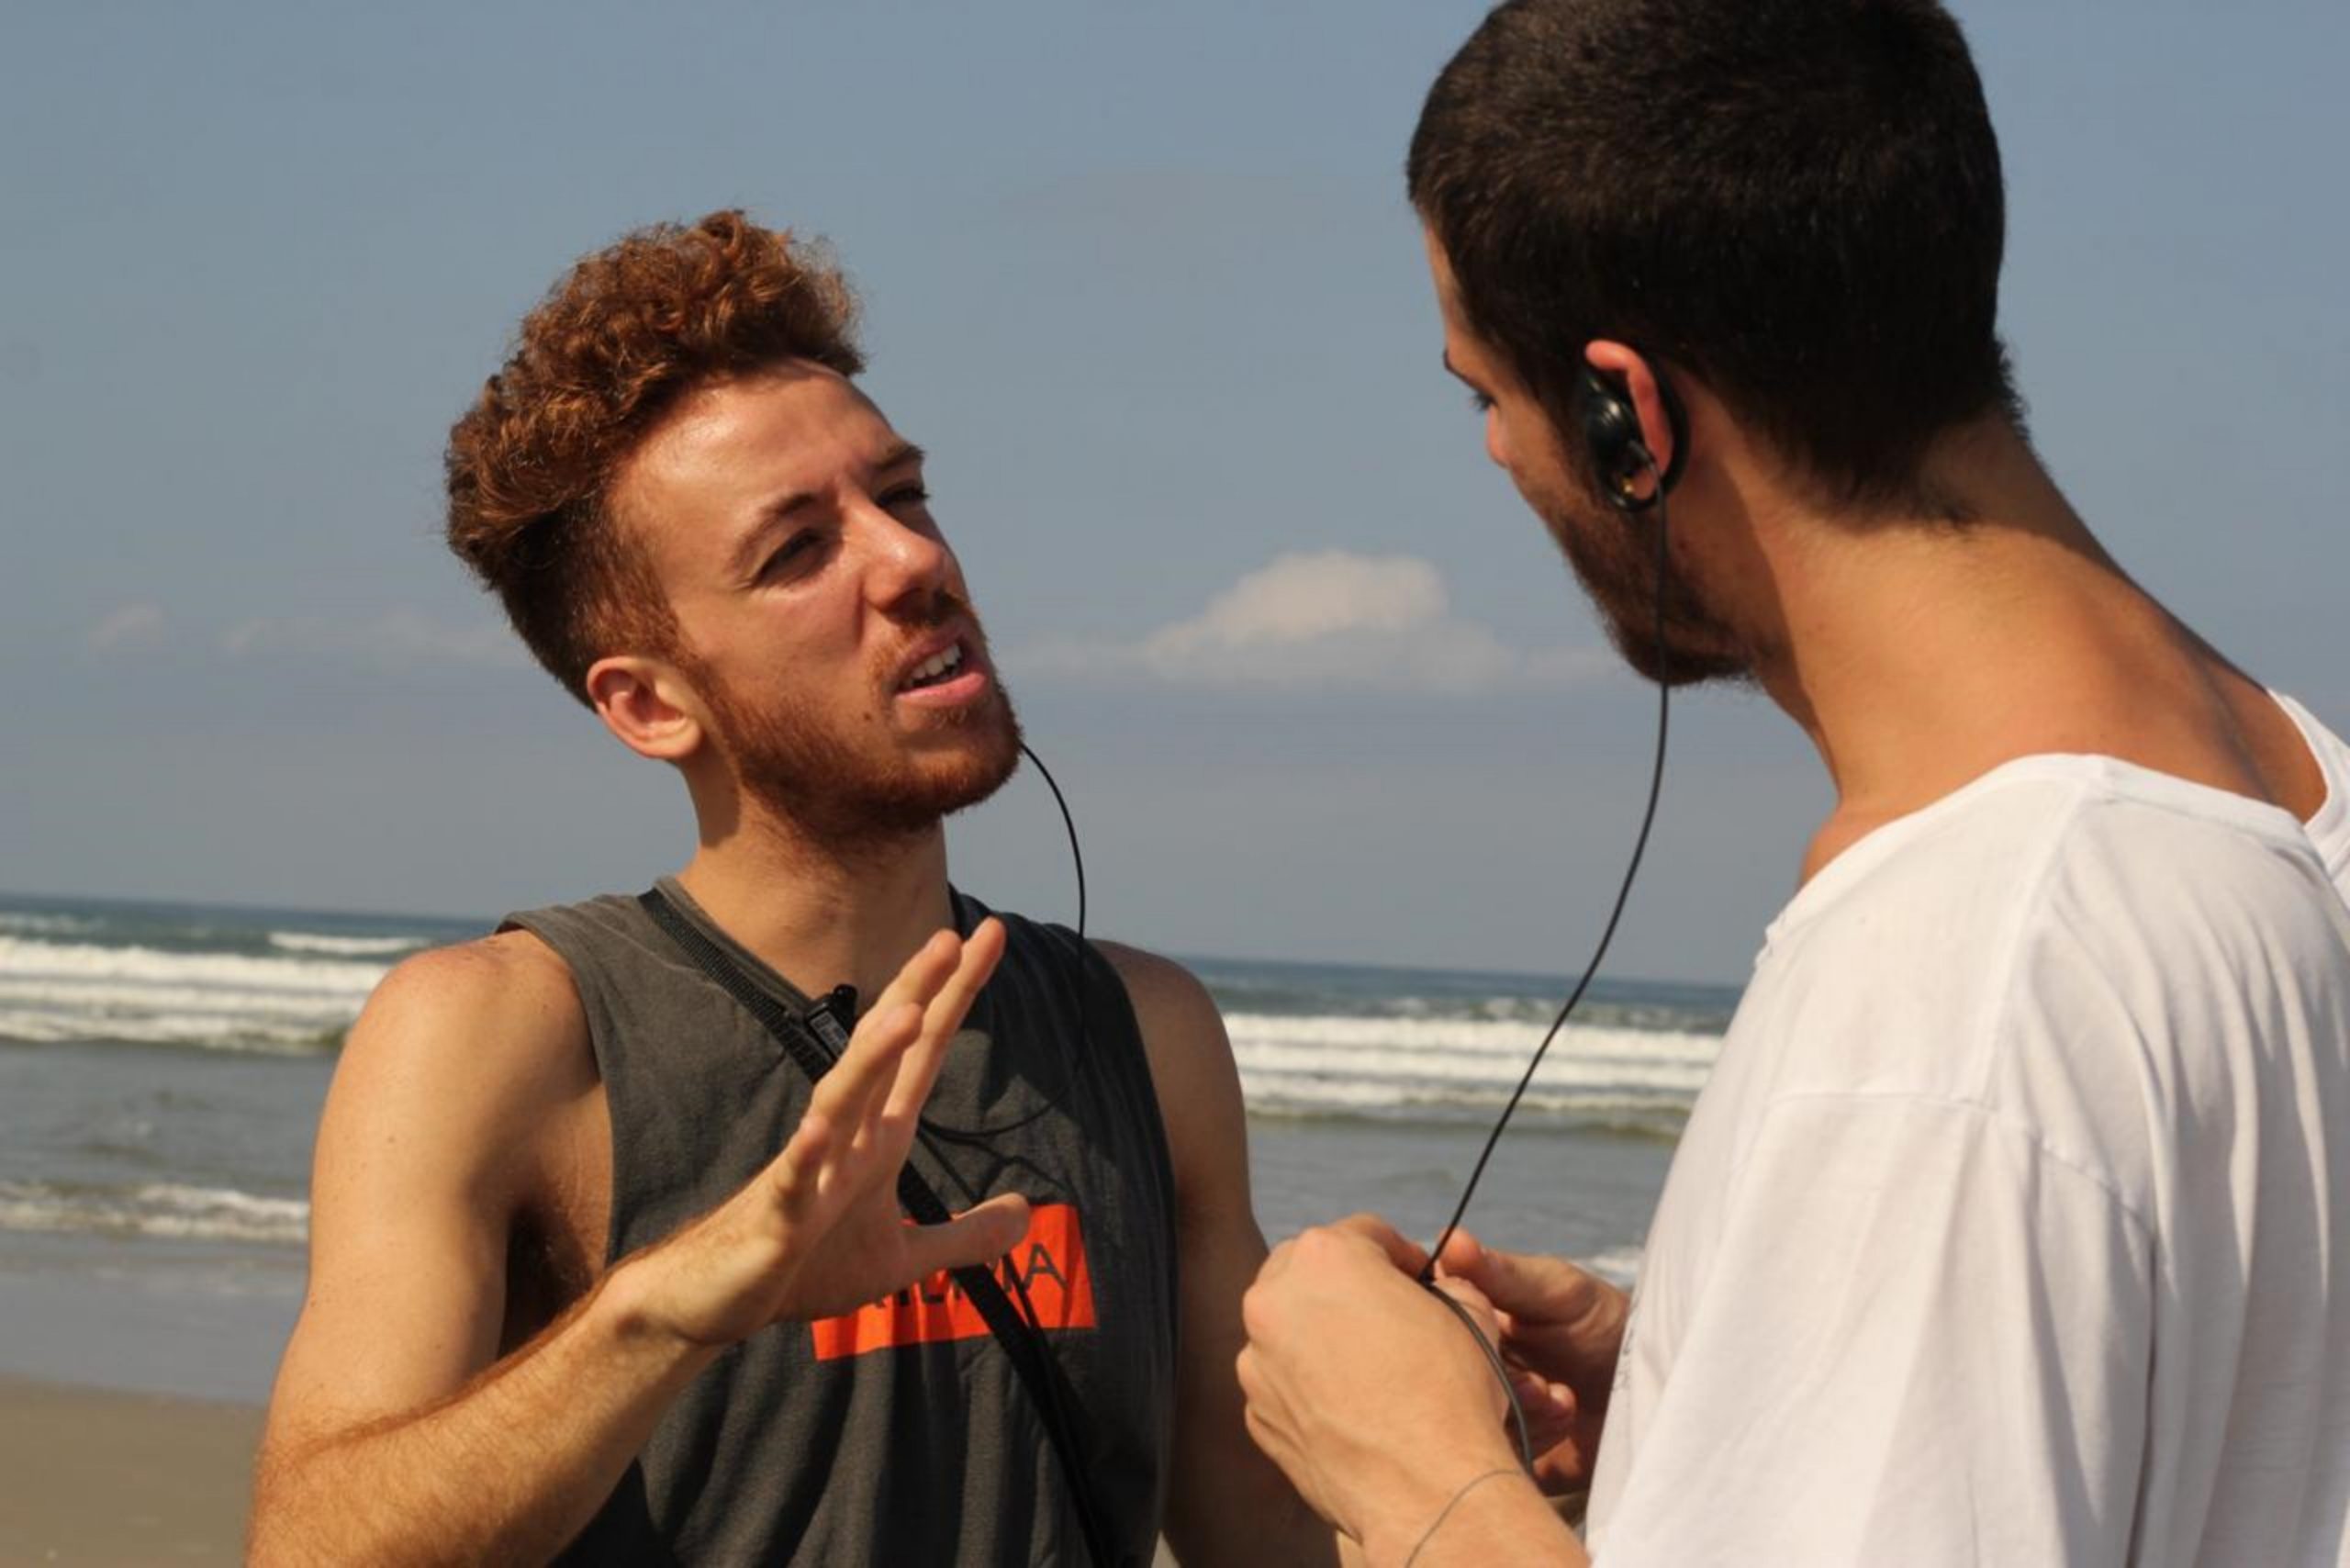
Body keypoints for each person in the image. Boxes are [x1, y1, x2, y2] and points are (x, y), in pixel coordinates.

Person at [1234, 2, 2350, 1563]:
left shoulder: (1953, 993)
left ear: (1630, 413)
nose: (1494, 452)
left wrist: (1415, 1476)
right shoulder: (2302, 802)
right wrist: (1718, 1401)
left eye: (1484, 391)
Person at [250, 212, 1329, 1566]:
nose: (911, 561)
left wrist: (1479, 1461)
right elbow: (312, 1547)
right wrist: (672, 1308)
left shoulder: (1146, 1033)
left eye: (903, 493)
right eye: (797, 551)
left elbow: (1268, 1537)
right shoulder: (503, 1035)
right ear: (651, 706)